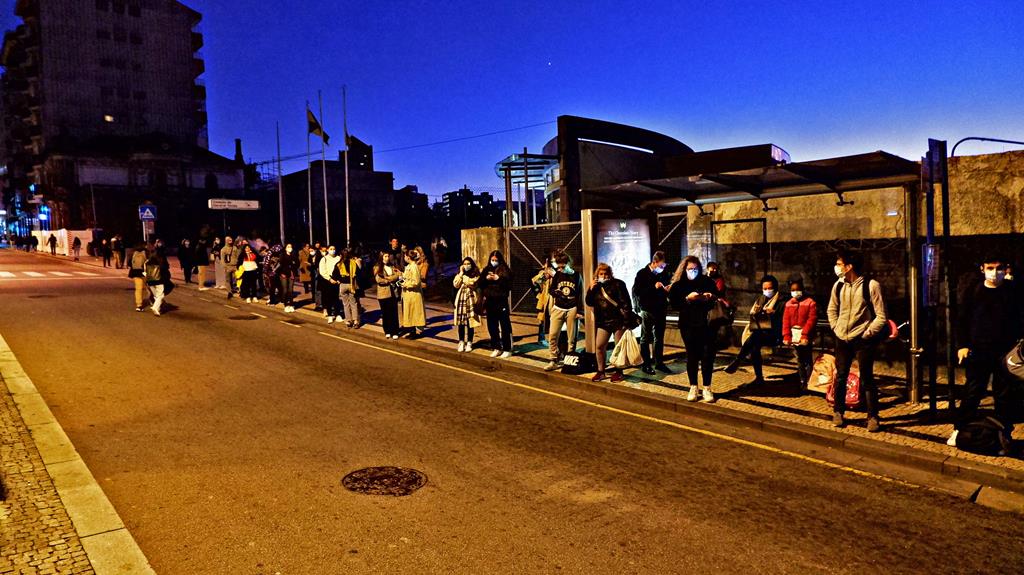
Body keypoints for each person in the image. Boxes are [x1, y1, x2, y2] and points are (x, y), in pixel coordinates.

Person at [948, 254, 1023, 450]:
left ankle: (1003, 433)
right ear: (982, 269)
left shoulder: (1013, 291)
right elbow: (962, 320)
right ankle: (959, 428)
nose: (995, 272)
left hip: (1006, 352)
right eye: (990, 268)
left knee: (1004, 395)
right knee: (973, 391)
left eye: (999, 268)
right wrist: (962, 345)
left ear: (1005, 269)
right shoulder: (974, 290)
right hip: (978, 350)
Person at [826, 250, 887, 432]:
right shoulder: (838, 285)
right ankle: (838, 412)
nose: (837, 267)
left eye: (839, 264)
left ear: (849, 266)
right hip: (842, 338)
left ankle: (873, 416)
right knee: (840, 377)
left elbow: (881, 316)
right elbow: (831, 309)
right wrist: (836, 328)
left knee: (867, 378)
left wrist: (867, 333)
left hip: (862, 339)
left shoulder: (871, 285)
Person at [669, 256, 720, 402]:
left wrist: (711, 296)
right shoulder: (679, 285)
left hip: (707, 324)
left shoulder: (707, 281)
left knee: (707, 356)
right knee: (692, 355)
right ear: (684, 269)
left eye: (696, 269)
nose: (693, 271)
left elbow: (717, 296)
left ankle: (707, 387)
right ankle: (693, 386)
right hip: (688, 324)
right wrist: (687, 299)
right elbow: (674, 304)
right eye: (690, 269)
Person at [724, 275, 783, 385]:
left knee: (755, 338)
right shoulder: (761, 299)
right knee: (755, 344)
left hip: (775, 333)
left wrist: (774, 313)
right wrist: (756, 313)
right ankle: (758, 378)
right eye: (764, 288)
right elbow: (753, 315)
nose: (767, 291)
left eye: (769, 288)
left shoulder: (781, 301)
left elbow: (785, 319)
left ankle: (738, 360)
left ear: (775, 288)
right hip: (761, 331)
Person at [585, 262, 631, 382]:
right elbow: (589, 302)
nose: (604, 276)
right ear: (597, 275)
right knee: (599, 346)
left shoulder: (618, 284)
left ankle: (619, 371)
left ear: (610, 274)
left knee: (618, 348)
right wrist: (590, 289)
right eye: (601, 274)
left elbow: (626, 302)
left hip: (618, 321)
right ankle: (601, 371)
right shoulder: (596, 287)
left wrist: (626, 322)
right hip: (603, 321)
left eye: (606, 273)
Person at [633, 251, 673, 375]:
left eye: (664, 266)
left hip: (661, 309)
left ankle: (659, 362)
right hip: (648, 309)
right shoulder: (642, 273)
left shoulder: (663, 274)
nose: (662, 268)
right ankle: (646, 364)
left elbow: (665, 288)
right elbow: (638, 291)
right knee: (646, 337)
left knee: (659, 337)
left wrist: (667, 289)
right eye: (661, 266)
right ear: (654, 262)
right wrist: (653, 287)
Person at [544, 251, 583, 371]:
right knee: (552, 335)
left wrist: (580, 311)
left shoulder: (576, 275)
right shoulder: (557, 275)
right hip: (558, 307)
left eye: (562, 266)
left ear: (568, 264)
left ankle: (569, 360)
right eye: (559, 267)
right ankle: (553, 359)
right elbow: (551, 290)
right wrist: (556, 292)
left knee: (572, 338)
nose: (560, 269)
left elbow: (580, 293)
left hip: (572, 308)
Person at [781, 277, 818, 389]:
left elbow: (812, 319)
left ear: (802, 289)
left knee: (807, 359)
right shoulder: (788, 304)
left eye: (797, 289)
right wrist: (786, 335)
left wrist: (805, 334)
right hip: (795, 336)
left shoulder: (810, 302)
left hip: (806, 336)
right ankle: (802, 380)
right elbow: (786, 321)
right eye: (793, 290)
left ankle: (809, 381)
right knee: (799, 359)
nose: (795, 292)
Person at [478, 250, 513, 358]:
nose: (493, 262)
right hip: (490, 301)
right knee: (492, 326)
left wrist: (498, 279)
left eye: (496, 260)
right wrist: (486, 278)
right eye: (492, 260)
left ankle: (507, 348)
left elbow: (509, 285)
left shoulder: (505, 270)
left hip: (501, 301)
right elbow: (479, 283)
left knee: (505, 325)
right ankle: (496, 347)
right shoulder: (487, 269)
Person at [453, 256, 481, 351]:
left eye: (468, 264)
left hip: (471, 300)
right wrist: (461, 273)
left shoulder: (476, 274)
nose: (466, 265)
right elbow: (456, 284)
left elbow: (474, 283)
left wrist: (466, 280)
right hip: (461, 300)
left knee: (470, 322)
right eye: (464, 264)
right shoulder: (460, 274)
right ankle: (461, 341)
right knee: (461, 322)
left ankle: (469, 342)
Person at [375, 251, 403, 339]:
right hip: (383, 293)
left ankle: (395, 331)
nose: (387, 258)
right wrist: (389, 280)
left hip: (393, 293)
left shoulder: (392, 266)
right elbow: (379, 280)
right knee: (385, 313)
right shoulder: (377, 267)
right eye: (385, 256)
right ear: (381, 257)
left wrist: (389, 278)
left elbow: (398, 275)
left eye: (388, 256)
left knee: (393, 313)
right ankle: (387, 330)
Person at [531, 250, 556, 344]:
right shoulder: (544, 272)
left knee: (555, 319)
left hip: (555, 299)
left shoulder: (559, 271)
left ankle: (554, 338)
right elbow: (535, 282)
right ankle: (541, 338)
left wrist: (554, 275)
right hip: (545, 298)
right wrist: (544, 274)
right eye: (552, 261)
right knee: (542, 319)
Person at [400, 249, 426, 336]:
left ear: (408, 257)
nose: (404, 257)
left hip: (413, 294)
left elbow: (416, 282)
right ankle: (411, 330)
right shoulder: (409, 266)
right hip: (408, 295)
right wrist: (401, 275)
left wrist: (405, 285)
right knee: (410, 313)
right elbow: (407, 277)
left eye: (405, 256)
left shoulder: (414, 267)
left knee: (414, 313)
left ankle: (415, 332)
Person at [336, 247, 362, 327]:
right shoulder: (353, 262)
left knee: (345, 304)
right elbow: (359, 272)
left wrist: (339, 280)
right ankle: (355, 321)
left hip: (343, 285)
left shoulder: (339, 264)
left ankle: (348, 321)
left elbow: (335, 274)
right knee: (353, 303)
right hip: (351, 284)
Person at [318, 245, 342, 323]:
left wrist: (340, 279)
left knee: (336, 298)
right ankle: (330, 315)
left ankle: (338, 314)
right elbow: (322, 271)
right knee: (329, 298)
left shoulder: (339, 258)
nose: (332, 250)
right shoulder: (324, 259)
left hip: (337, 280)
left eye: (334, 249)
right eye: (331, 249)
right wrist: (329, 279)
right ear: (328, 250)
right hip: (327, 280)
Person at [145, 246, 168, 316]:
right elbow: (164, 268)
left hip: (150, 279)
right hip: (159, 279)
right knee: (160, 294)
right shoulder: (161, 259)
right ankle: (155, 307)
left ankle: (158, 308)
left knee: (156, 295)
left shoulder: (149, 259)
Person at [278, 243, 300, 312]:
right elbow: (281, 264)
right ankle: (286, 304)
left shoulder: (294, 255)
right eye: (288, 247)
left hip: (291, 274)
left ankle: (291, 304)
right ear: (285, 248)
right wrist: (282, 272)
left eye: (291, 246)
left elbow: (297, 264)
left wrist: (293, 265)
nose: (290, 248)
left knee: (290, 290)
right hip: (283, 274)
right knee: (285, 290)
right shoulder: (282, 255)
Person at [128, 243, 148, 312]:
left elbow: (129, 263)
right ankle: (154, 301)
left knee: (138, 289)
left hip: (135, 273)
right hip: (145, 272)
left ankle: (139, 305)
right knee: (149, 288)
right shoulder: (146, 252)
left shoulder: (133, 253)